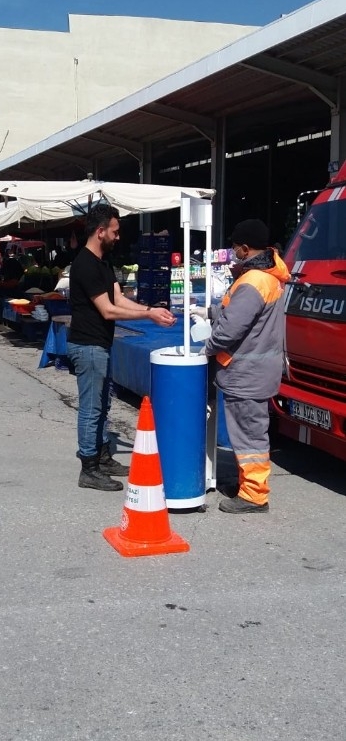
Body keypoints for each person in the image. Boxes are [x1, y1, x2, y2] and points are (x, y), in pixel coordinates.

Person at [67, 205, 176, 491]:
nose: (118, 237)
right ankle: (88, 468)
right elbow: (108, 310)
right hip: (88, 345)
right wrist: (148, 314)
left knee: (103, 404)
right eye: (114, 231)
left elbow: (118, 298)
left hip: (100, 344)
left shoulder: (103, 262)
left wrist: (151, 309)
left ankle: (101, 457)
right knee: (91, 408)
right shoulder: (85, 264)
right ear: (100, 231)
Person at [202, 218, 290, 514]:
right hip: (258, 370)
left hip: (247, 373)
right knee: (249, 430)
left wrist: (208, 347)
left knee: (249, 434)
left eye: (234, 246)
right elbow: (239, 314)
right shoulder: (266, 276)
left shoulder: (254, 281)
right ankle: (248, 486)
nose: (232, 251)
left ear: (243, 247)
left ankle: (254, 496)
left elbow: (230, 330)